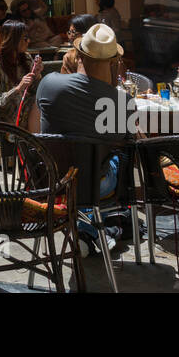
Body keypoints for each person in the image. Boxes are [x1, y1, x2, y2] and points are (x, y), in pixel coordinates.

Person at [37, 23, 135, 248]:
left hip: (51, 180)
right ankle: (95, 229)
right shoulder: (122, 103)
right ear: (113, 62)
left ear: (78, 54)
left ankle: (86, 231)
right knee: (122, 156)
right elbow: (123, 145)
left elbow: (36, 130)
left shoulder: (49, 83)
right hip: (94, 185)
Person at [0, 20, 43, 128]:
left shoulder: (25, 58)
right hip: (4, 115)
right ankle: (35, 142)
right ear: (13, 40)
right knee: (38, 106)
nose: (28, 41)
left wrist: (36, 75)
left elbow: (33, 90)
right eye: (25, 38)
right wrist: (18, 88)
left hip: (26, 106)